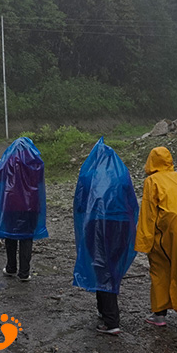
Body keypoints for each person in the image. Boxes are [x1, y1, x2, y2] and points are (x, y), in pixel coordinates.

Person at [73, 138, 138, 335]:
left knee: (101, 266)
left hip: (97, 224)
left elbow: (81, 203)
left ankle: (111, 320)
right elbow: (132, 203)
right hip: (121, 225)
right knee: (111, 265)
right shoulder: (121, 174)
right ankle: (106, 312)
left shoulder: (89, 173)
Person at [134, 146, 177, 328]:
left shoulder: (152, 181)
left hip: (167, 226)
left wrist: (144, 242)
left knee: (160, 267)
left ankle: (159, 314)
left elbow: (148, 213)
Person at [0, 137, 48, 281]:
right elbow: (40, 182)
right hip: (31, 206)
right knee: (26, 237)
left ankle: (11, 267)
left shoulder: (8, 161)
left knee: (10, 235)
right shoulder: (36, 162)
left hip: (11, 205)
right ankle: (24, 273)